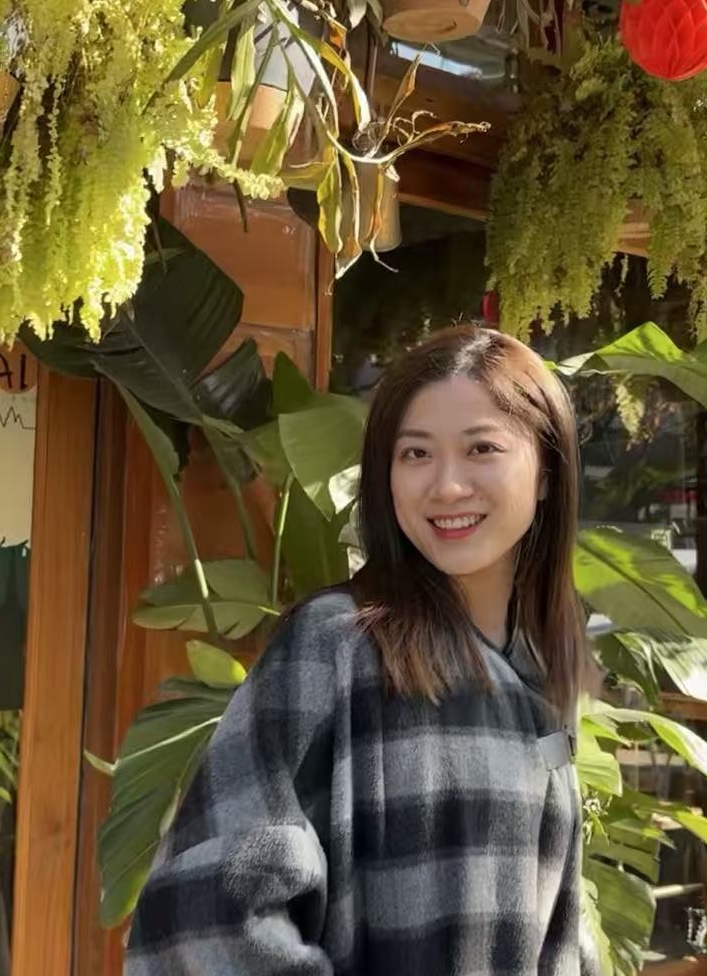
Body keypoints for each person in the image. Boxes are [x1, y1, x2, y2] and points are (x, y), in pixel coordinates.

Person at [125, 324, 598, 976]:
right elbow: (199, 919)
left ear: (546, 472)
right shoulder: (338, 646)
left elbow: (559, 928)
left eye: (481, 448)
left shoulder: (538, 674)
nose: (446, 486)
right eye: (415, 453)